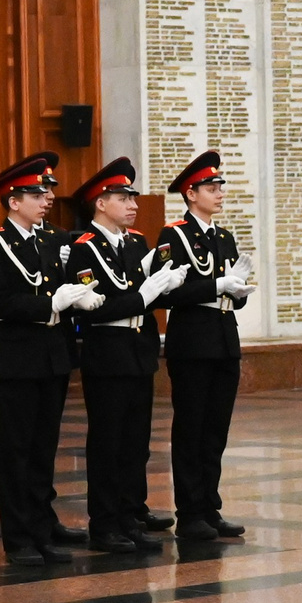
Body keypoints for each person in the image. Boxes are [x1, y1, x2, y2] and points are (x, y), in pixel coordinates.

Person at [69, 158, 189, 549]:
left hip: (138, 349)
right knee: (108, 442)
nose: (132, 204)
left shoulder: (135, 242)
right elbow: (97, 306)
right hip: (107, 350)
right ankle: (104, 524)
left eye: (132, 197)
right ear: (100, 203)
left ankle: (127, 516)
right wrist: (144, 295)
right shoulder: (83, 248)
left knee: (135, 442)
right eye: (122, 197)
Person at [0, 152, 89, 565]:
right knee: (16, 451)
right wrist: (48, 305)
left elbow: (71, 284)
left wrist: (78, 298)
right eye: (36, 193)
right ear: (13, 200)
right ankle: (19, 537)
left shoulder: (52, 240)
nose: (46, 199)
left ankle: (43, 529)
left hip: (52, 357)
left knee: (44, 449)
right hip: (18, 359)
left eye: (47, 192)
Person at [159, 150, 249, 540]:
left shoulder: (223, 236)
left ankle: (210, 506)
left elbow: (230, 292)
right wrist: (216, 286)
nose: (219, 193)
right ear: (191, 194)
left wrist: (239, 290)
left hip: (224, 340)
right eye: (211, 188)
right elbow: (168, 293)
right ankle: (190, 511)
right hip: (192, 343)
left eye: (220, 187)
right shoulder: (174, 235)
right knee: (191, 429)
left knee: (216, 430)